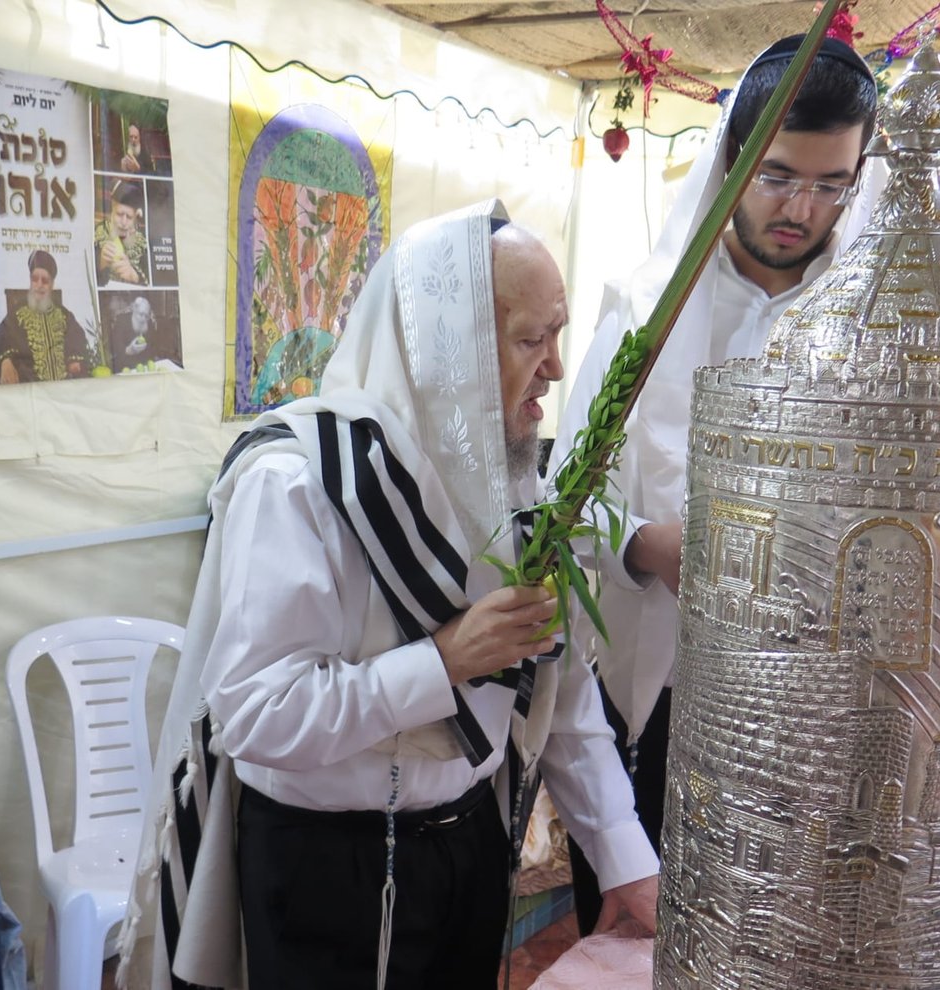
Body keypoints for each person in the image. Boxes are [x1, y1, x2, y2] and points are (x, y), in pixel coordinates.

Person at [116, 200, 658, 990]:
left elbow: (557, 696)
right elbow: (258, 712)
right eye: (530, 339)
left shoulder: (516, 485)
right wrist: (442, 662)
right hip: (323, 866)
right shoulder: (302, 480)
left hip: (467, 847)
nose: (555, 368)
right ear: (454, 354)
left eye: (557, 334)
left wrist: (621, 857)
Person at [552, 33, 881, 936]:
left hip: (803, 720)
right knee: (634, 942)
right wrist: (645, 546)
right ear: (733, 157)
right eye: (776, 175)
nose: (797, 208)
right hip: (648, 693)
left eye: (829, 184)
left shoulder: (869, 330)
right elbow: (560, 503)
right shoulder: (645, 309)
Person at [0, 250, 90, 384]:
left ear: (52, 284)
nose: (39, 285)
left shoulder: (64, 316)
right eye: (35, 279)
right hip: (28, 393)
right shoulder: (17, 315)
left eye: (44, 281)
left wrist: (75, 361)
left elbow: (78, 342)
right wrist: (6, 361)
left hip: (63, 392)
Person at [95, 180, 148, 286]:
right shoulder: (98, 233)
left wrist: (134, 276)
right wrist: (100, 263)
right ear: (111, 212)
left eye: (129, 217)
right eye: (119, 214)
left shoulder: (143, 241)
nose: (123, 223)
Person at [108, 295, 169, 372]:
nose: (143, 319)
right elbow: (115, 347)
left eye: (146, 316)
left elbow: (154, 347)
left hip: (145, 367)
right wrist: (129, 350)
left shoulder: (149, 322)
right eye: (141, 314)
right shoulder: (121, 320)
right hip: (125, 367)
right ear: (134, 309)